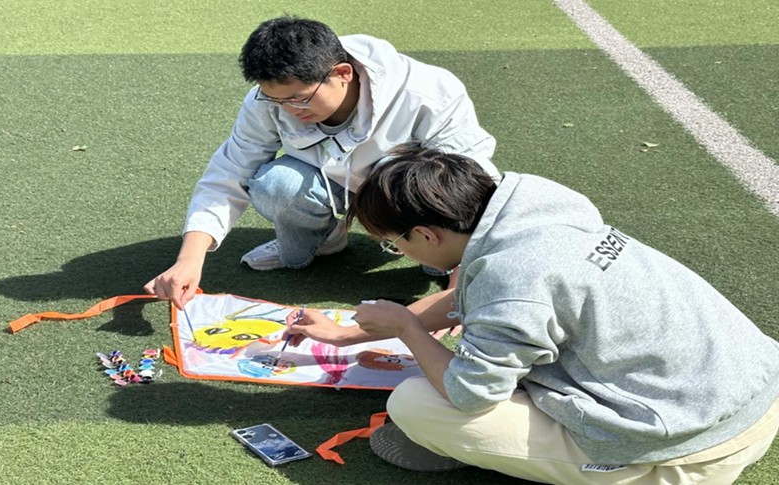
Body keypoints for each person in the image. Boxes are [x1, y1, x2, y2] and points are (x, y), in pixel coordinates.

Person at [286, 143, 779, 483]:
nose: (399, 253)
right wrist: (351, 335)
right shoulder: (535, 210)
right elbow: (485, 300)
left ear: (427, 235)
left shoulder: (514, 277)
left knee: (415, 404)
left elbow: (470, 394)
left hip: (691, 453)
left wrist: (408, 329)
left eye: (394, 246)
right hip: (756, 393)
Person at [144, 16, 499, 309]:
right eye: (277, 101)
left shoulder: (428, 91)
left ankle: (440, 261)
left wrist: (458, 290)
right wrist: (189, 260)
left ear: (343, 72)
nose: (289, 111)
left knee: (437, 255)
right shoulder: (268, 100)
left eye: (300, 99)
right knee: (276, 185)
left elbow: (469, 183)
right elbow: (230, 170)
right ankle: (324, 241)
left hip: (406, 197)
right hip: (330, 185)